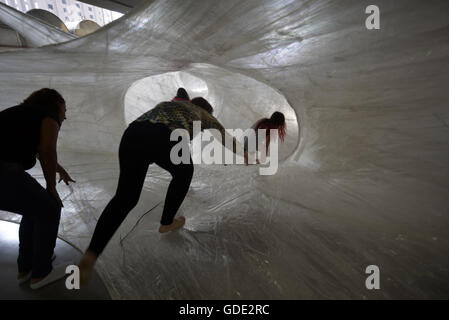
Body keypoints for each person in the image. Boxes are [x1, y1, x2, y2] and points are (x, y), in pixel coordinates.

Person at [78, 97, 246, 284]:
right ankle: (167, 222)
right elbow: (225, 136)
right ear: (205, 109)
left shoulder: (168, 104)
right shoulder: (204, 114)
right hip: (165, 136)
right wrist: (246, 155)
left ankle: (91, 254)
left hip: (133, 133)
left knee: (125, 198)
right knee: (184, 172)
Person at [0, 88, 75, 289]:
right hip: (4, 170)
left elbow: (39, 150)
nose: (65, 116)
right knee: (50, 208)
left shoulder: (20, 114)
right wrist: (51, 188)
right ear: (56, 104)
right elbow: (47, 149)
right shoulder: (48, 115)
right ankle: (41, 273)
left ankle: (25, 268)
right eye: (64, 109)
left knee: (33, 209)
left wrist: (59, 169)